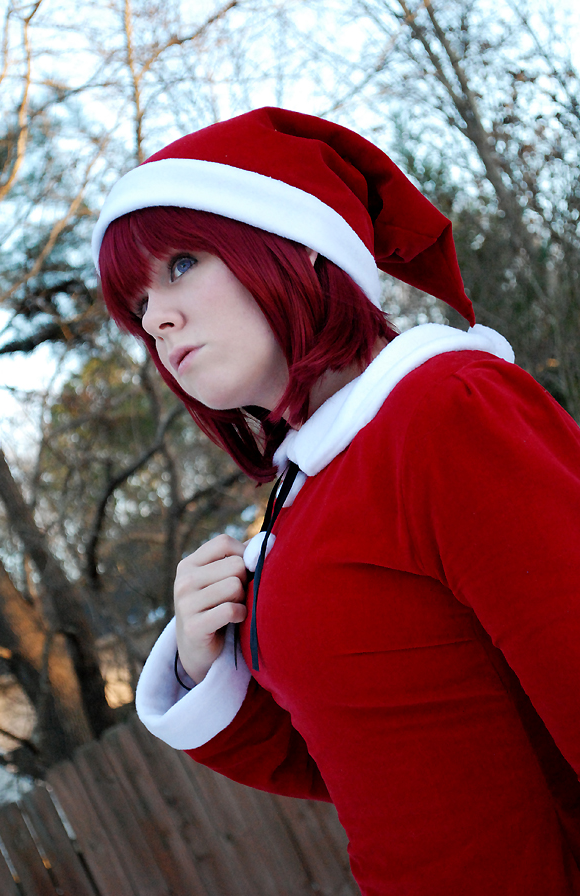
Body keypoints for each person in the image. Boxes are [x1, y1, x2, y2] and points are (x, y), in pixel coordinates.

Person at [92, 107, 580, 894]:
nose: (157, 319)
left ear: (299, 241)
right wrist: (200, 663)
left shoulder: (447, 412)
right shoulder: (306, 492)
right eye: (137, 305)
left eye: (180, 264)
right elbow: (376, 760)